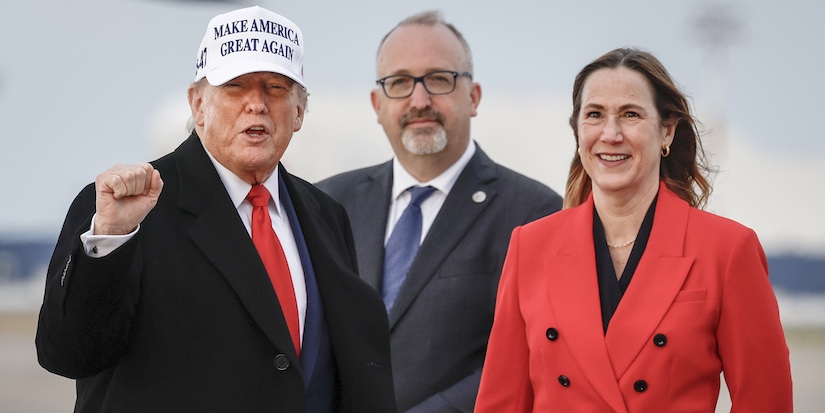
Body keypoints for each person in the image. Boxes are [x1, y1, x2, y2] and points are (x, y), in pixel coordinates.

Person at [35, 6, 396, 413]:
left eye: (276, 87)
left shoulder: (325, 214)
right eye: (235, 87)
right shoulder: (123, 212)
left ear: (298, 112)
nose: (256, 104)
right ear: (198, 105)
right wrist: (110, 239)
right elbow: (68, 354)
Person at [474, 47, 793, 412]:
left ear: (667, 131)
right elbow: (501, 402)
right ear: (577, 131)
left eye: (630, 114)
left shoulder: (728, 249)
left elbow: (766, 400)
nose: (610, 134)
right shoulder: (530, 245)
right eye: (595, 114)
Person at [315, 10, 562, 413]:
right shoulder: (327, 203)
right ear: (377, 105)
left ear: (474, 96)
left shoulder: (535, 213)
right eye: (399, 82)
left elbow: (537, 353)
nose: (420, 100)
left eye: (439, 79)